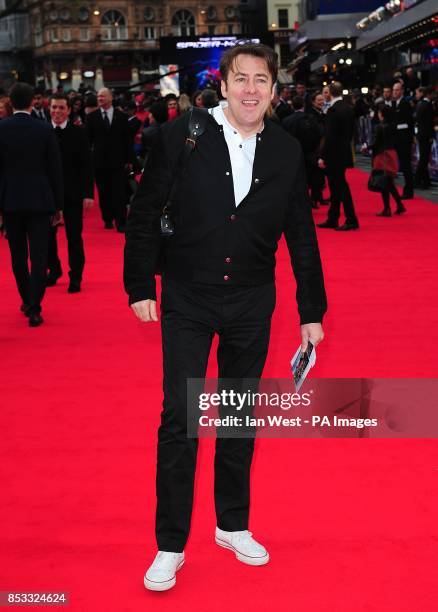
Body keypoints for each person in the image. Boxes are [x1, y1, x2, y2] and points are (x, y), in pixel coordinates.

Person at [124, 42, 326, 591]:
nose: (251, 90)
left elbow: (301, 233)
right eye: (242, 79)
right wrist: (139, 281)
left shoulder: (284, 149)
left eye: (262, 80)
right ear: (224, 83)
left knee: (238, 415)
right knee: (180, 419)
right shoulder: (185, 134)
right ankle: (170, 545)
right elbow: (145, 210)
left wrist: (313, 310)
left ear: (275, 90)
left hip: (252, 301)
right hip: (189, 296)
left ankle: (232, 525)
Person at [0, 82, 63, 327]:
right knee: (39, 256)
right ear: (32, 102)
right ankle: (35, 306)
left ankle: (27, 299)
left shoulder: (1, 129)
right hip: (40, 200)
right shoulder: (45, 129)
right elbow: (55, 170)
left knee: (18, 256)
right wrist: (58, 205)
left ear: (10, 103)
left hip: (11, 201)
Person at [46, 94, 94, 292]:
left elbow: (86, 165)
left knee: (74, 237)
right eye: (54, 107)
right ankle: (54, 270)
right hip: (47, 195)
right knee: (47, 237)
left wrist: (88, 193)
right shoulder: (43, 132)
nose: (57, 111)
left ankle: (76, 276)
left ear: (68, 110)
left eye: (61, 108)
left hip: (73, 194)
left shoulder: (78, 133)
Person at [86, 87, 134, 232]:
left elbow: (127, 141)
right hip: (99, 162)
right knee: (103, 192)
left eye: (102, 96)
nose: (99, 99)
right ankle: (107, 218)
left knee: (119, 193)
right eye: (98, 97)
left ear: (111, 98)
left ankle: (121, 221)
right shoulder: (91, 117)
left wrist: (130, 160)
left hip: (118, 161)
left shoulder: (121, 116)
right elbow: (88, 141)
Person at [317, 81, 359, 231]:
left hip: (334, 156)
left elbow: (330, 137)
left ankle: (351, 219)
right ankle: (333, 218)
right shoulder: (347, 108)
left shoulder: (333, 111)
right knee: (336, 187)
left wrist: (322, 156)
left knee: (340, 187)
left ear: (331, 93)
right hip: (344, 153)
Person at [370, 105, 406, 217]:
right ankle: (399, 205)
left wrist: (366, 147)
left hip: (382, 156)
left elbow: (376, 144)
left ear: (382, 114)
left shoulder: (380, 127)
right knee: (389, 182)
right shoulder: (393, 126)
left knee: (384, 183)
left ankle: (387, 208)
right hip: (391, 154)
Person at [391, 81, 415, 199]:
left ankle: (409, 191)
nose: (395, 92)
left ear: (402, 91)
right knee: (402, 165)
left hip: (404, 140)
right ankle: (407, 189)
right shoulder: (395, 104)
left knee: (406, 166)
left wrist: (396, 127)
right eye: (394, 90)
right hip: (398, 140)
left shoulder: (405, 104)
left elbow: (408, 123)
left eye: (397, 90)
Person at [414, 86, 435, 189]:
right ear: (429, 94)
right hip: (426, 135)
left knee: (424, 157)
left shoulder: (420, 104)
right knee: (424, 158)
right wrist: (431, 135)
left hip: (421, 134)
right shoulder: (428, 105)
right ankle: (417, 180)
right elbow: (429, 122)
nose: (434, 96)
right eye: (433, 94)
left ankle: (426, 180)